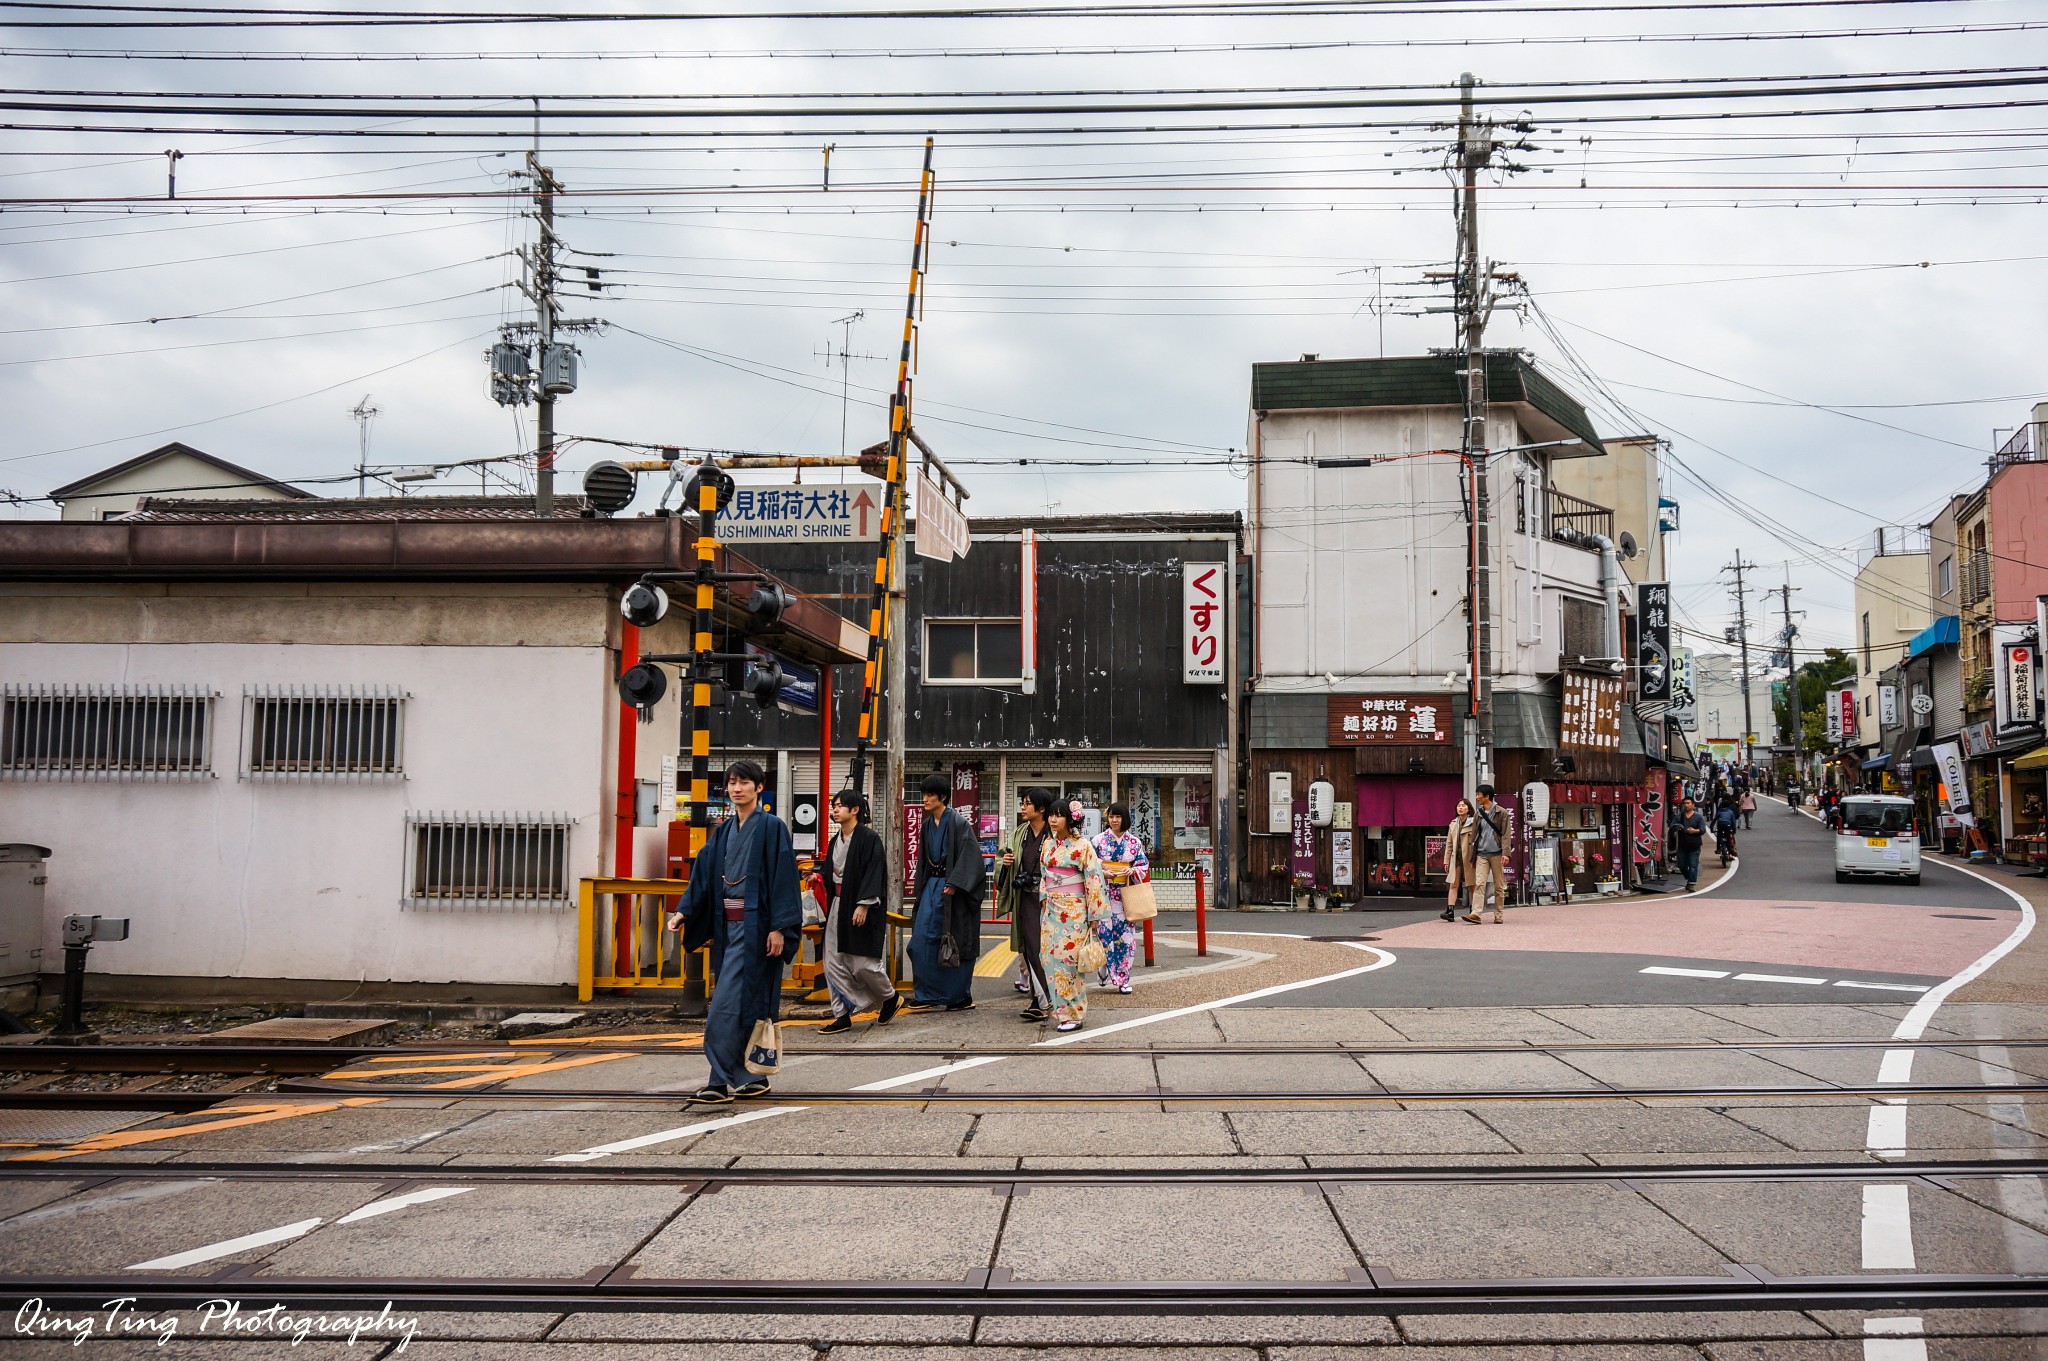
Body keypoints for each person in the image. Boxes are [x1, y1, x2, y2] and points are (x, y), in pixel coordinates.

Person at [673, 759, 803, 1104]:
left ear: (759, 788)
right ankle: (744, 1079)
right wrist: (685, 910)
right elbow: (703, 874)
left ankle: (720, 1080)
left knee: (727, 1006)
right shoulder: (725, 831)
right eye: (731, 782)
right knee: (741, 1003)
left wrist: (779, 927)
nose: (736, 788)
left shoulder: (772, 827)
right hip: (727, 928)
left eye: (744, 782)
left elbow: (783, 879)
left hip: (756, 929)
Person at [817, 790, 899, 1035]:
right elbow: (828, 871)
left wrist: (864, 904)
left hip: (860, 905)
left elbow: (875, 872)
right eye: (834, 806)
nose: (835, 810)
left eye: (840, 806)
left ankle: (889, 996)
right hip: (836, 906)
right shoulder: (835, 840)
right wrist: (817, 877)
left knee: (863, 963)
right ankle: (841, 1014)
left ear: (854, 810)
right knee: (831, 962)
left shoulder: (869, 838)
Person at [905, 773, 987, 1013]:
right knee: (921, 941)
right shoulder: (927, 825)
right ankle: (926, 993)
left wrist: (955, 883)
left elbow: (972, 858)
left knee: (954, 940)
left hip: (954, 891)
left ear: (942, 797)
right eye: (924, 794)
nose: (925, 799)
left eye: (930, 794)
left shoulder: (959, 822)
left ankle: (958, 996)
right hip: (932, 886)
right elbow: (922, 861)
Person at [1039, 798, 1112, 1032]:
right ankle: (1061, 1010)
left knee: (1069, 961)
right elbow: (1044, 874)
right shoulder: (1048, 844)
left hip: (1074, 910)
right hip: (1051, 908)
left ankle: (1074, 1013)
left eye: (1058, 815)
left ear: (1070, 819)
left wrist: (1094, 914)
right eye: (1051, 815)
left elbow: (1093, 879)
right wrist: (1044, 897)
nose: (1053, 819)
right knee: (1048, 958)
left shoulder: (1083, 846)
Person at [997, 788, 1057, 1021]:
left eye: (1027, 803)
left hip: (1050, 901)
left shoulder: (1053, 834)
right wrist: (1006, 862)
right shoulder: (1020, 833)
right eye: (1023, 803)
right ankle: (1040, 1000)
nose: (1023, 807)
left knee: (1045, 949)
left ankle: (1045, 1000)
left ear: (1041, 809)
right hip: (1026, 898)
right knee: (1030, 948)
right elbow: (1002, 857)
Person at [1090, 802, 1150, 995]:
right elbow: (1089, 863)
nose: (1114, 820)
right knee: (1105, 937)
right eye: (1111, 817)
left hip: (1124, 896)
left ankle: (1123, 978)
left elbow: (1142, 864)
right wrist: (1102, 869)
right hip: (1104, 895)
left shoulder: (1134, 842)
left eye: (1118, 817)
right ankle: (1104, 967)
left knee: (1125, 939)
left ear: (1125, 819)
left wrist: (1131, 870)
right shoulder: (1098, 840)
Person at [1466, 784, 1510, 925]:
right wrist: (1472, 856)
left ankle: (1498, 914)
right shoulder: (1478, 813)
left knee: (1499, 885)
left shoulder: (1501, 812)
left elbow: (1506, 834)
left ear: (1487, 796)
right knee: (1479, 883)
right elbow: (1474, 836)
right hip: (1481, 854)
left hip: (1497, 853)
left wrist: (1506, 853)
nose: (1477, 797)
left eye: (1479, 795)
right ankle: (1476, 913)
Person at [1443, 796, 1478, 924]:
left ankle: (1474, 911)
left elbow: (1478, 841)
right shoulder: (1453, 824)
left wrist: (1476, 858)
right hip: (1456, 858)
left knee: (1471, 885)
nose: (1461, 808)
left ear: (1469, 809)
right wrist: (1446, 860)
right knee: (1453, 884)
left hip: (1469, 858)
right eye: (1459, 806)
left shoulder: (1474, 822)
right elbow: (1449, 844)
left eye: (1463, 806)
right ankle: (1450, 911)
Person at [1674, 796, 1707, 891]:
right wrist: (1676, 828)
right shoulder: (1679, 817)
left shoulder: (1698, 817)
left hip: (1694, 845)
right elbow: (1672, 826)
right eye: (1685, 803)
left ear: (1693, 805)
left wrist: (1695, 831)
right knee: (1681, 865)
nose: (1686, 805)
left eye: (1688, 803)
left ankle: (1692, 884)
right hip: (1682, 844)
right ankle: (1689, 878)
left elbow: (1702, 830)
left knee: (1693, 865)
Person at [1713, 797, 1739, 863]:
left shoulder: (1719, 811)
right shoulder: (1730, 812)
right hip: (1728, 826)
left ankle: (1718, 849)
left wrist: (1711, 828)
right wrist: (1734, 830)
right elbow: (1733, 822)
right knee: (1729, 838)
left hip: (1720, 826)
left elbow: (1714, 820)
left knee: (1719, 837)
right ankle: (1731, 851)